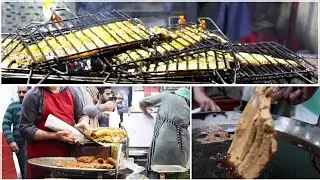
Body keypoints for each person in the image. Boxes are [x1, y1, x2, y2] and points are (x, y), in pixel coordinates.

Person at [19, 86, 91, 179]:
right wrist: (54, 136)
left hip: (67, 154)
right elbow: (25, 128)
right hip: (40, 157)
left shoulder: (72, 91)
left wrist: (84, 122)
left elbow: (82, 115)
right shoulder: (33, 95)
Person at [139, 88, 190, 178]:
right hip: (184, 144)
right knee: (177, 174)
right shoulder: (187, 106)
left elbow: (143, 102)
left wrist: (145, 111)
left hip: (165, 139)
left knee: (157, 171)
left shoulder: (167, 96)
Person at [2, 86, 30, 179]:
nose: (21, 94)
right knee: (24, 170)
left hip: (35, 143)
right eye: (19, 92)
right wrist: (11, 141)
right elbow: (6, 124)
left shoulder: (36, 105)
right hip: (20, 145)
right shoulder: (13, 106)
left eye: (24, 92)